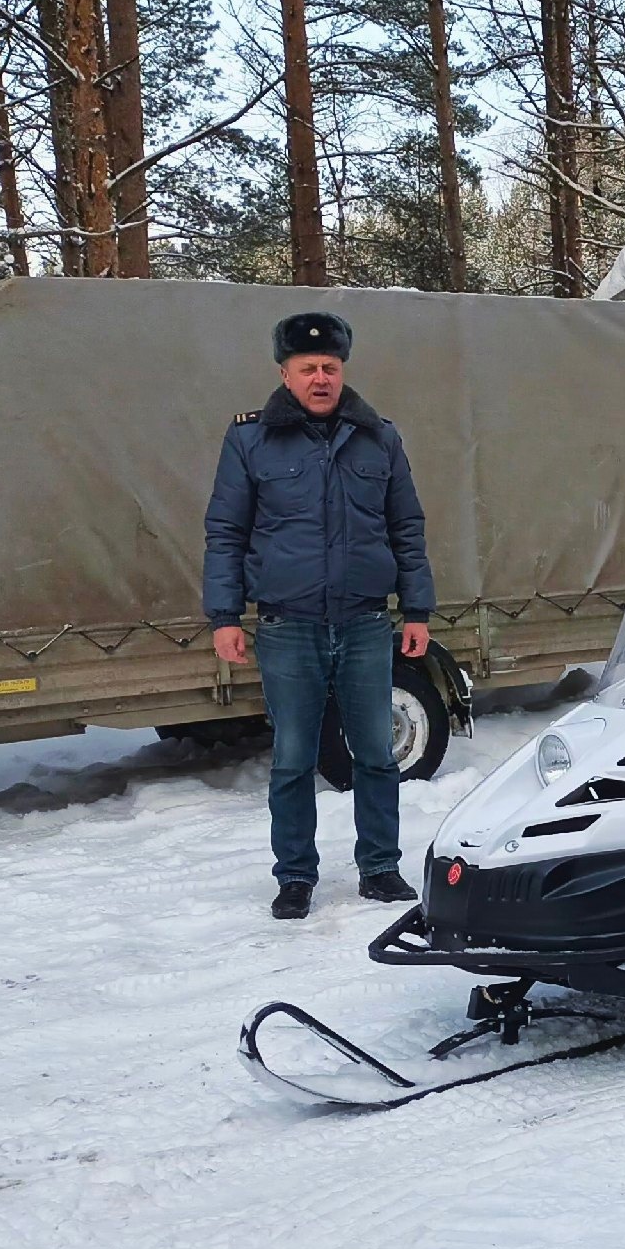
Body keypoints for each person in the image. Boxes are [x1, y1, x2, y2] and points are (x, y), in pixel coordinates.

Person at [204, 310, 435, 920]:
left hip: (364, 622)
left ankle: (381, 869)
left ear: (343, 370)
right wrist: (225, 615)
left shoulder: (378, 438)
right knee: (293, 759)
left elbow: (405, 528)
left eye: (330, 367)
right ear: (285, 374)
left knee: (376, 755)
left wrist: (418, 609)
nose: (321, 377)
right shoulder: (250, 440)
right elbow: (226, 532)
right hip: (287, 624)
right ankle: (295, 877)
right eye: (307, 368)